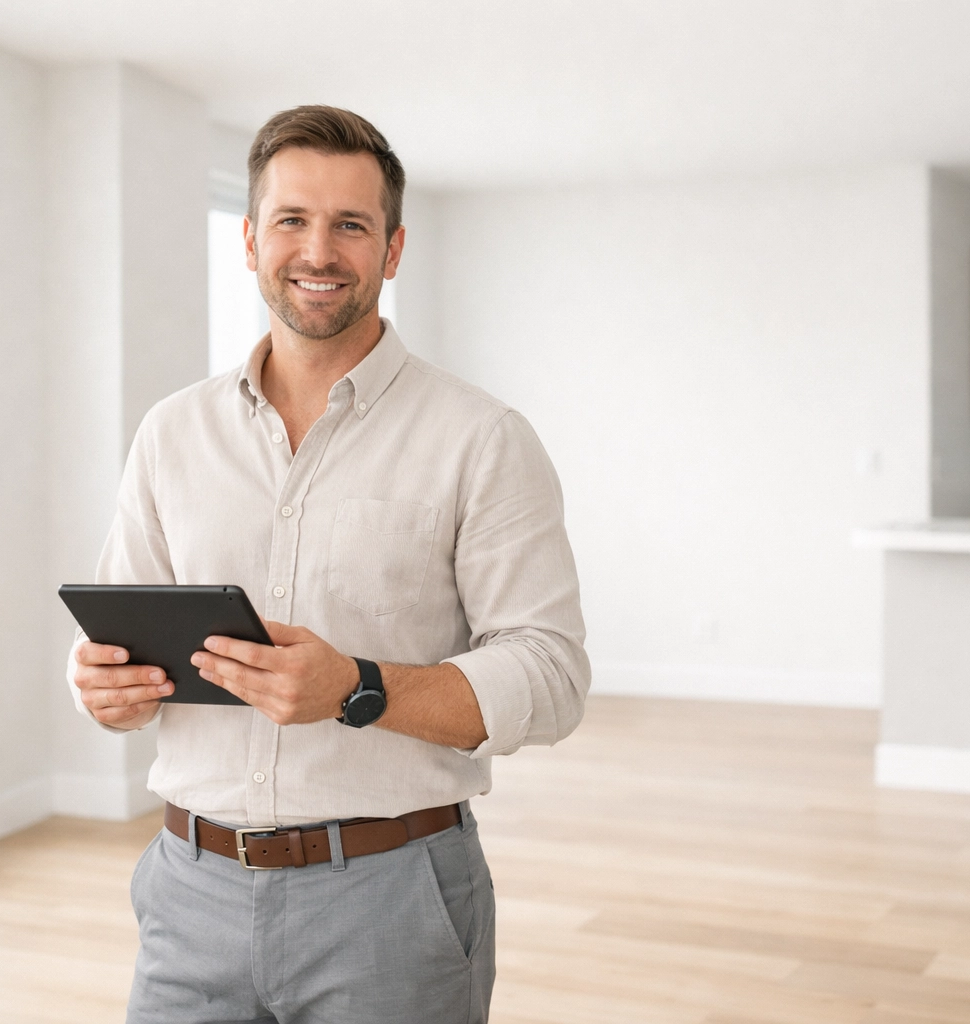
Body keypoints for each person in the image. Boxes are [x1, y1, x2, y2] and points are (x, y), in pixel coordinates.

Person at [68, 105, 589, 1024]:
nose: (319, 250)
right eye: (292, 220)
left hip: (393, 905)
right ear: (250, 239)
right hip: (187, 897)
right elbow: (127, 640)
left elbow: (549, 677)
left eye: (351, 224)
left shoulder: (482, 439)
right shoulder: (170, 434)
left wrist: (357, 686)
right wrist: (106, 689)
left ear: (391, 250)